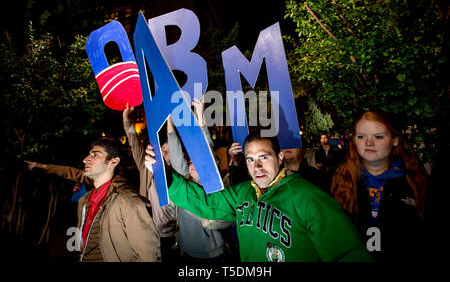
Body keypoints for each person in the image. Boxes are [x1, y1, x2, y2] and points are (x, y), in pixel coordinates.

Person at [144, 130, 373, 262]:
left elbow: (348, 253)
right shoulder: (243, 191)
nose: (257, 166)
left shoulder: (308, 196)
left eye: (264, 157)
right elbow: (204, 203)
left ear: (280, 157)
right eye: (250, 159)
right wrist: (166, 175)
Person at [25, 137, 160, 262]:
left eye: (95, 154)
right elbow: (72, 173)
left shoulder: (128, 201)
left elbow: (149, 255)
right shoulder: (84, 201)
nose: (85, 159)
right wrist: (43, 167)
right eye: (89, 154)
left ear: (113, 161)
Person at [331, 111, 428, 261]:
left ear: (395, 140)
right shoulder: (341, 179)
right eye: (361, 136)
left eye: (378, 137)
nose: (369, 143)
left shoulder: (414, 181)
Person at [167, 98, 234, 263]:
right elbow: (175, 155)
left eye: (197, 163)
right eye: (190, 162)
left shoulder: (212, 185)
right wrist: (169, 122)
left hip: (212, 253)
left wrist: (200, 114)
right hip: (187, 249)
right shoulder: (186, 182)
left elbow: (206, 152)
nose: (191, 164)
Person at [123, 103, 178, 262]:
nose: (163, 152)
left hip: (169, 236)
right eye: (162, 149)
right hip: (147, 233)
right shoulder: (147, 169)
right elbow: (134, 142)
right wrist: (127, 120)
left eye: (168, 151)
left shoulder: (178, 177)